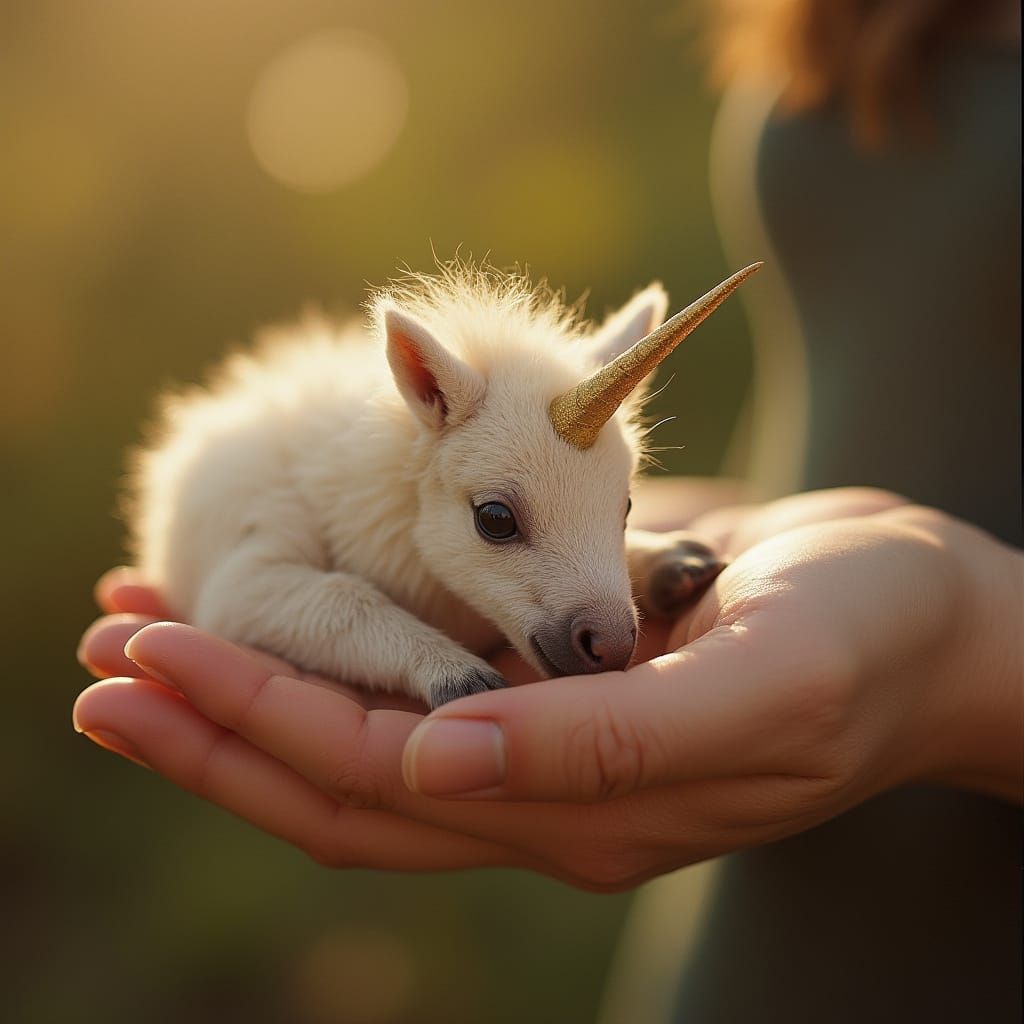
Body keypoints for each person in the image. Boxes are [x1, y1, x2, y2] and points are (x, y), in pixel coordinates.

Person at [76, 1, 1021, 1019]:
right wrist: (432, 659)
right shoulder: (322, 476)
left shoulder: (482, 478)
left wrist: (967, 645)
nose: (604, 616)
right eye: (498, 518)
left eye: (614, 519)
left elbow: (549, 518)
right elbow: (246, 592)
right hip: (785, 898)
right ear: (423, 391)